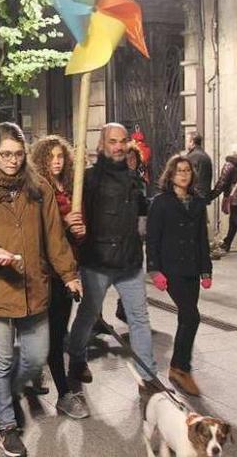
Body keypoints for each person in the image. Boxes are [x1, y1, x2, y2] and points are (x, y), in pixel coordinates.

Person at [0, 122, 82, 457]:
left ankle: (6, 393)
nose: (12, 160)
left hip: (34, 284)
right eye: (5, 153)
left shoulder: (39, 188)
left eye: (18, 154)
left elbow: (54, 237)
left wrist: (69, 274)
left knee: (36, 356)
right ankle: (6, 425)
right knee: (1, 360)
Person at [68, 123, 161, 401]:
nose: (118, 146)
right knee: (88, 315)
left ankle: (148, 376)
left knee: (140, 320)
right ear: (102, 145)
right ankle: (76, 359)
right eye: (113, 141)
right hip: (97, 262)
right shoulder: (86, 180)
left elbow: (143, 218)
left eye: (122, 141)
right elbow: (77, 216)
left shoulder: (136, 180)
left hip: (130, 263)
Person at [29, 135, 89, 419]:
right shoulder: (38, 189)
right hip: (47, 272)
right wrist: (62, 225)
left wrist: (78, 231)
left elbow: (76, 229)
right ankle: (63, 391)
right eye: (51, 156)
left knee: (59, 330)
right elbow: (37, 234)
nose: (56, 161)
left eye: (60, 156)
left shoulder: (69, 188)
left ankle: (38, 369)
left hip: (69, 268)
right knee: (52, 333)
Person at [146, 155, 213, 396]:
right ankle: (181, 367)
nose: (184, 174)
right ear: (171, 175)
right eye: (179, 171)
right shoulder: (160, 203)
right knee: (191, 316)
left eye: (187, 170)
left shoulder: (197, 202)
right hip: (171, 269)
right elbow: (152, 239)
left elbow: (202, 240)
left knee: (186, 319)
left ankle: (177, 369)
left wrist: (206, 269)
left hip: (192, 269)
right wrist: (154, 270)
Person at [207, 142, 237, 257]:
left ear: (234, 152)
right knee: (233, 221)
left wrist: (211, 195)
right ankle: (227, 243)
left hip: (235, 197)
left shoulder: (230, 165)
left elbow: (222, 182)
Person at [185, 132, 213, 198]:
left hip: (194, 196)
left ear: (192, 142)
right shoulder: (205, 156)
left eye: (186, 141)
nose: (185, 144)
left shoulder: (192, 157)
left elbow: (189, 177)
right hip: (204, 195)